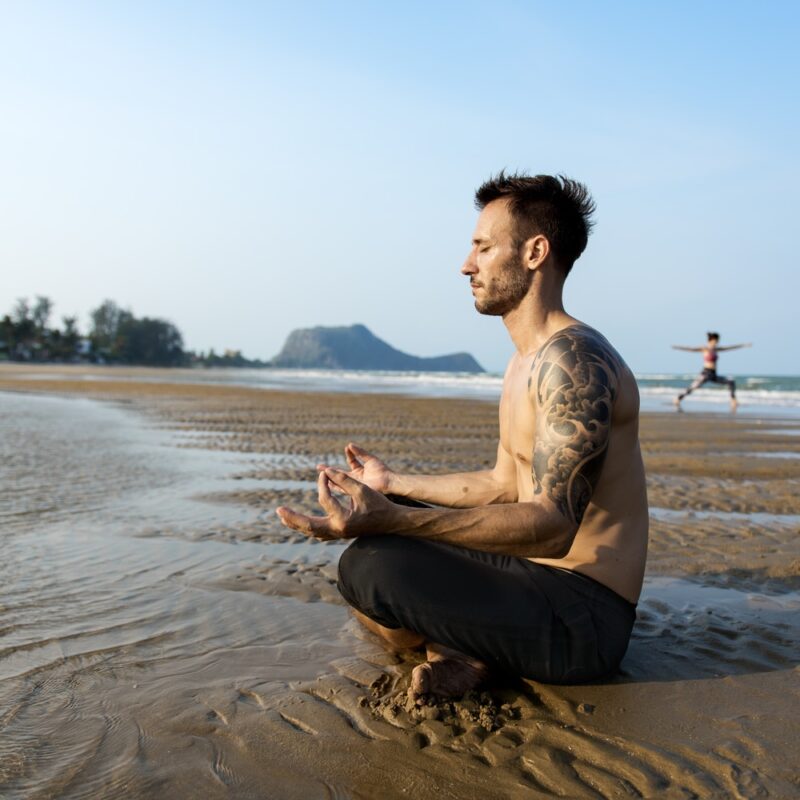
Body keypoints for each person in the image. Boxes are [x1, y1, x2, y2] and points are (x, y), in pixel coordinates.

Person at [277, 172, 649, 703]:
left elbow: (553, 527)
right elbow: (503, 484)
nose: (466, 264)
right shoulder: (526, 360)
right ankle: (457, 652)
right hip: (534, 581)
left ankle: (457, 651)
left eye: (483, 247)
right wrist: (394, 484)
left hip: (584, 621)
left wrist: (400, 519)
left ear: (535, 252)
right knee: (380, 536)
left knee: (372, 567)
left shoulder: (575, 361)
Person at [672, 333, 752, 411]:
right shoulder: (704, 348)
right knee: (693, 387)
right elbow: (691, 349)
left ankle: (733, 400)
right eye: (716, 340)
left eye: (718, 341)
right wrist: (677, 347)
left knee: (731, 381)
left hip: (713, 374)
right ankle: (678, 399)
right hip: (705, 373)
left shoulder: (716, 349)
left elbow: (730, 348)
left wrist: (744, 345)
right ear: (712, 340)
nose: (717, 342)